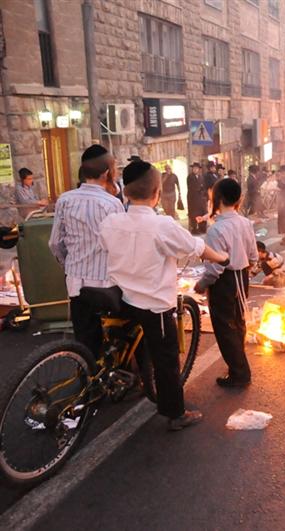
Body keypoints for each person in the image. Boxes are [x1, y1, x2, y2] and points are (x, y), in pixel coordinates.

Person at [99, 159, 229, 430]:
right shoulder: (162, 226)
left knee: (122, 345)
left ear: (126, 192)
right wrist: (223, 258)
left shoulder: (111, 221)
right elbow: (197, 247)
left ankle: (125, 380)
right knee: (166, 360)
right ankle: (175, 413)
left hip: (120, 297)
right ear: (158, 193)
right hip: (152, 305)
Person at [49, 146, 123, 360]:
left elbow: (54, 243)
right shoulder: (112, 204)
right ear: (107, 172)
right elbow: (119, 247)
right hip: (107, 285)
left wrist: (70, 266)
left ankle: (87, 379)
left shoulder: (64, 200)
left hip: (76, 283)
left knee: (85, 340)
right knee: (126, 326)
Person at [194, 178, 258, 388]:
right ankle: (237, 367)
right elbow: (253, 254)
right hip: (241, 276)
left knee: (224, 326)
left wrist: (203, 283)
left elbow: (216, 266)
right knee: (237, 322)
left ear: (217, 199)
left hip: (224, 280)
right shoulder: (245, 222)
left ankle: (240, 372)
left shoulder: (216, 230)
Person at [186, 163, 207, 234]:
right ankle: (194, 229)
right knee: (194, 213)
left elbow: (203, 185)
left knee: (202, 212)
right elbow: (191, 187)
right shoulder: (190, 177)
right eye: (194, 168)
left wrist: (202, 190)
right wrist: (198, 189)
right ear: (192, 169)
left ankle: (202, 228)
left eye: (196, 168)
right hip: (193, 197)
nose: (195, 169)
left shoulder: (201, 177)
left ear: (198, 169)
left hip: (200, 198)